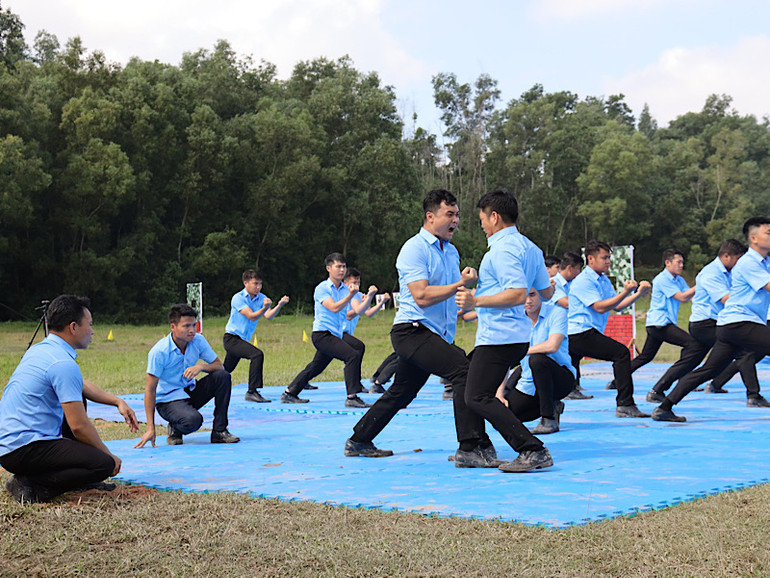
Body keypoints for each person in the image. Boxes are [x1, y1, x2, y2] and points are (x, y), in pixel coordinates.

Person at [344, 189, 486, 462]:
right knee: (464, 371)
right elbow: (421, 295)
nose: (456, 221)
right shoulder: (414, 249)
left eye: (457, 215)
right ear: (430, 217)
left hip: (436, 334)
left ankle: (359, 440)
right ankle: (470, 447)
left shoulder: (452, 251)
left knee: (401, 392)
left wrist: (470, 301)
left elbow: (446, 295)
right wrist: (460, 283)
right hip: (412, 331)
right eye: (449, 215)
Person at [454, 189, 556, 472]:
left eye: (482, 219)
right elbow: (545, 292)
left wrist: (476, 299)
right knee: (464, 378)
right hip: (517, 337)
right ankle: (473, 446)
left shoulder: (502, 250)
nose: (482, 225)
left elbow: (516, 294)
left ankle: (531, 448)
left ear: (495, 217)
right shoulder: (531, 248)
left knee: (477, 396)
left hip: (499, 336)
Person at [0, 295, 137, 504]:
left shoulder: (42, 350)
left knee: (76, 397)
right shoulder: (62, 363)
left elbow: (79, 384)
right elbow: (79, 427)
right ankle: (32, 484)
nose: (92, 331)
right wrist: (110, 456)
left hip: (10, 445)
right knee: (102, 465)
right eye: (89, 325)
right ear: (73, 327)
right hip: (25, 448)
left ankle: (68, 477)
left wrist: (117, 401)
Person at [652, 217, 770, 422]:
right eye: (768, 233)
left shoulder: (763, 262)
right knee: (736, 360)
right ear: (754, 238)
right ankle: (753, 394)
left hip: (730, 325)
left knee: (708, 370)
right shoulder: (749, 262)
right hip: (739, 323)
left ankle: (664, 407)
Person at [643, 239, 746, 402]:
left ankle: (658, 390)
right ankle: (747, 392)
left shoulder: (727, 273)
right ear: (726, 256)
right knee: (740, 352)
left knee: (690, 361)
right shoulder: (710, 273)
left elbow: (691, 298)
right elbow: (687, 297)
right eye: (739, 259)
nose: (681, 265)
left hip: (707, 322)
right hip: (692, 324)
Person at [135, 304, 240, 447]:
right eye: (186, 326)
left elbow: (219, 366)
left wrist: (201, 367)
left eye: (194, 325)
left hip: (190, 392)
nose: (192, 330)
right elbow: (150, 390)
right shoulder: (159, 352)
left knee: (223, 376)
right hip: (168, 400)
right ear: (173, 327)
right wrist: (150, 428)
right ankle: (175, 427)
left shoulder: (198, 340)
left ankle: (219, 431)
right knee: (193, 421)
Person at [567, 240, 652, 417]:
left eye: (609, 258)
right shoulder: (584, 280)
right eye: (604, 258)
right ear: (590, 259)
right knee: (621, 353)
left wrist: (638, 294)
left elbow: (618, 306)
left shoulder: (603, 280)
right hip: (579, 333)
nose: (608, 261)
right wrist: (626, 291)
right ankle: (625, 404)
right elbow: (599, 307)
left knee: (551, 363)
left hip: (585, 333)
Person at [282, 253, 371, 408]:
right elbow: (334, 308)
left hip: (334, 335)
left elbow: (359, 311)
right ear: (328, 268)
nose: (342, 270)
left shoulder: (346, 289)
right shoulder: (322, 288)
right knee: (352, 355)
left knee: (315, 367)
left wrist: (369, 297)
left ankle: (290, 393)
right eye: (338, 266)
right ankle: (352, 397)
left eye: (343, 266)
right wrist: (351, 295)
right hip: (322, 335)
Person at [605, 249, 696, 390]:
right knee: (691, 344)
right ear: (667, 263)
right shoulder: (662, 279)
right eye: (678, 262)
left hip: (659, 324)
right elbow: (682, 297)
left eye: (682, 262)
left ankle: (617, 380)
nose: (681, 265)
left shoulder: (679, 280)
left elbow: (690, 297)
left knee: (645, 357)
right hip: (660, 324)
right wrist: (701, 284)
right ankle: (684, 379)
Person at [497, 288, 575, 434]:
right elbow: (505, 360)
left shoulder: (557, 313)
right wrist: (500, 393)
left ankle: (548, 419)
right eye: (523, 296)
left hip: (560, 378)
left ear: (540, 294)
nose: (528, 301)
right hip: (530, 382)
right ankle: (553, 406)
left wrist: (520, 351)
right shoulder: (515, 320)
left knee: (537, 360)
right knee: (504, 415)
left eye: (532, 295)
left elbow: (552, 346)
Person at [223, 269, 289, 403]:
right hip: (232, 338)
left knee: (224, 370)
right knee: (257, 355)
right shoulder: (238, 298)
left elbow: (269, 316)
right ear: (245, 283)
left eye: (260, 284)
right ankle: (252, 392)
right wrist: (264, 308)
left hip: (242, 340)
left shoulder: (261, 297)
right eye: (255, 284)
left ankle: (204, 382)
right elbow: (252, 316)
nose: (258, 287)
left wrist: (279, 305)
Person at [342, 268, 391, 393]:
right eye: (354, 282)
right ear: (346, 282)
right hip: (337, 332)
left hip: (345, 333)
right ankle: (354, 387)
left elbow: (368, 313)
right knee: (357, 349)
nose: (357, 285)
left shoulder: (358, 295)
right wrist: (368, 298)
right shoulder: (345, 294)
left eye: (358, 282)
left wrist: (381, 303)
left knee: (318, 363)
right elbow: (349, 315)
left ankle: (296, 386)